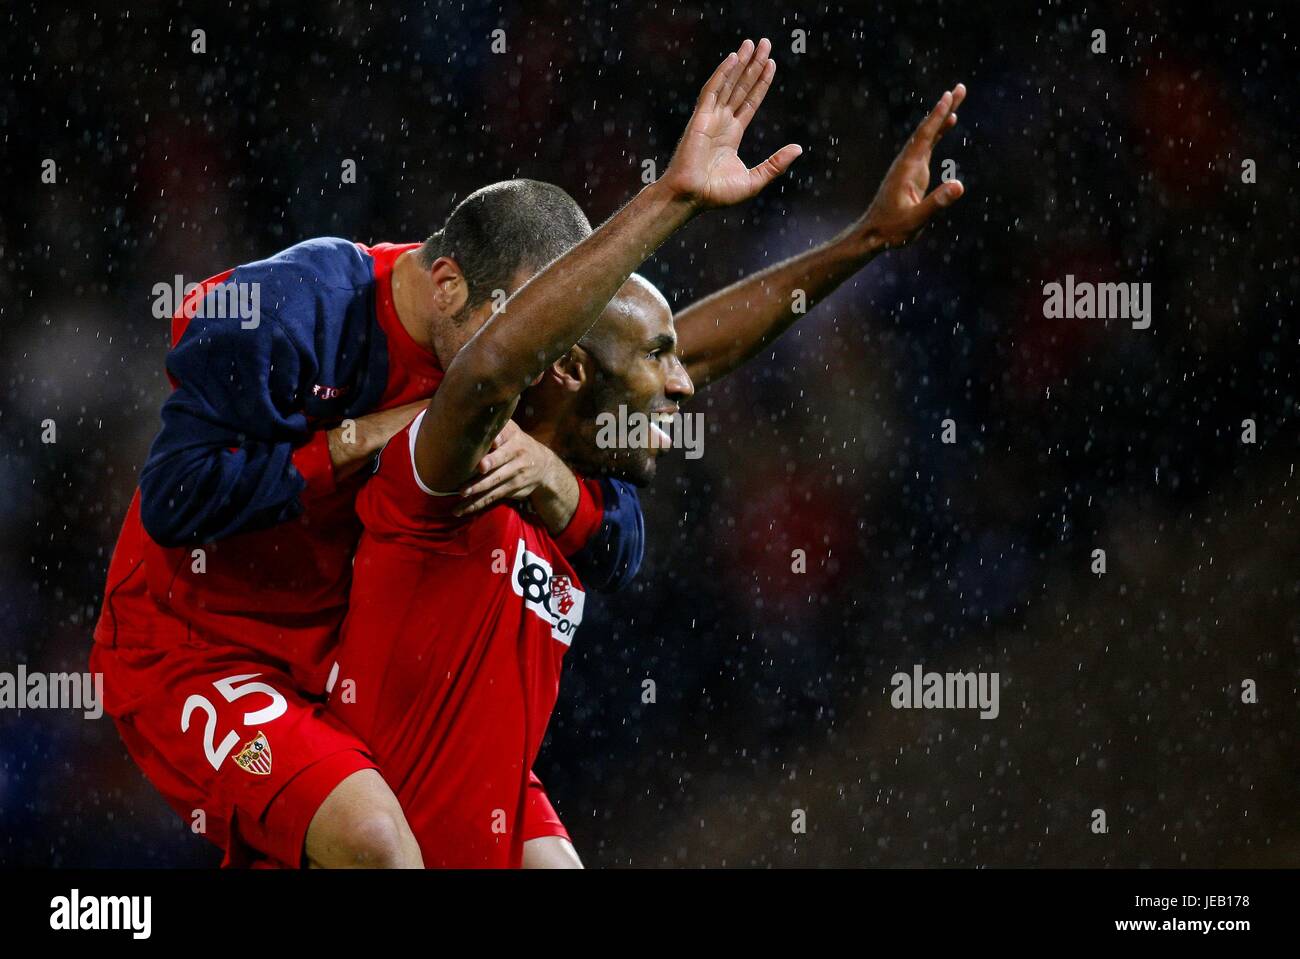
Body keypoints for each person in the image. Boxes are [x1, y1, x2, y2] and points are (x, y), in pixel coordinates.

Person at [327, 37, 967, 867]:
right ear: (564, 369)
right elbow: (490, 368)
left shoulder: (570, 470)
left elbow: (701, 353)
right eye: (656, 357)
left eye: (672, 356)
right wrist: (672, 195)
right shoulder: (456, 460)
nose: (684, 383)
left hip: (491, 820)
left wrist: (866, 240)